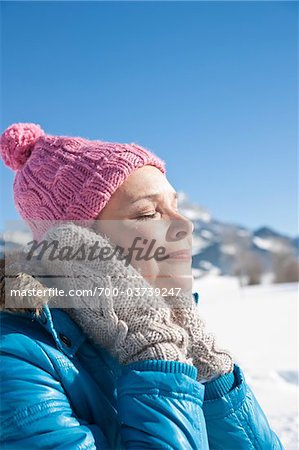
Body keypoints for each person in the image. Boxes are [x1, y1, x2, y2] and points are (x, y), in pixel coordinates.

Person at [0, 123, 283, 449]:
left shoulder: (173, 323)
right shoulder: (16, 359)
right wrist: (155, 354)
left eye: (176, 207)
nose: (184, 225)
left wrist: (210, 371)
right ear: (75, 246)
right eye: (148, 213)